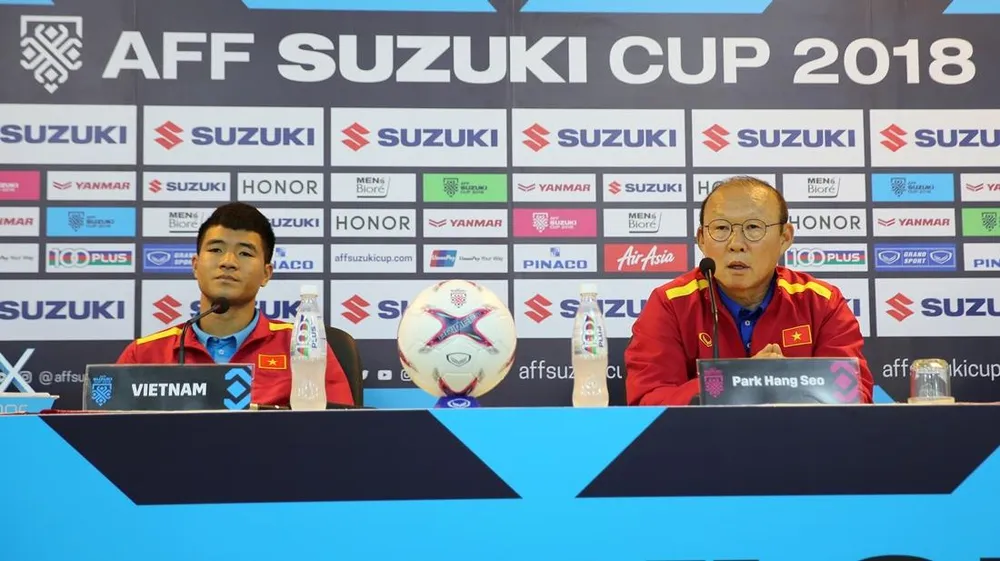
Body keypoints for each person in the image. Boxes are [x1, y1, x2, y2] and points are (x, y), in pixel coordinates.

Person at [624, 176, 873, 405]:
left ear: (785, 237)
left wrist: (783, 383)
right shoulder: (671, 304)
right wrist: (743, 379)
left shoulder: (821, 303)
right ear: (701, 238)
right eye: (721, 228)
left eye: (753, 227)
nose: (736, 244)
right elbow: (648, 403)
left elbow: (853, 397)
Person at [116, 202, 354, 406]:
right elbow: (111, 437)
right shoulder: (143, 355)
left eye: (245, 253)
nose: (228, 262)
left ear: (266, 274)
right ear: (195, 266)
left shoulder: (304, 349)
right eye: (216, 249)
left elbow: (339, 432)